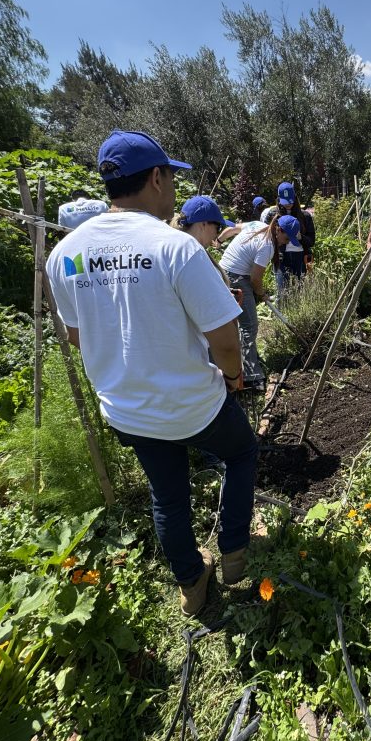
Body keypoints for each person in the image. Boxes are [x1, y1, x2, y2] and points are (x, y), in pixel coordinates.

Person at [46, 130, 258, 618]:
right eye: (173, 179)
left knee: (168, 494)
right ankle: (233, 551)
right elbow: (225, 337)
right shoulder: (175, 247)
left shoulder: (66, 254)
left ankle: (190, 581)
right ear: (157, 178)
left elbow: (78, 337)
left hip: (127, 408)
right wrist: (230, 379)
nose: (175, 193)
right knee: (242, 450)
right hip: (191, 404)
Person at [219, 214, 298, 386]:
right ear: (279, 229)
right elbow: (255, 279)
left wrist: (219, 240)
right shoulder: (267, 245)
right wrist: (261, 294)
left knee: (237, 323)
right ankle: (251, 376)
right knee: (250, 325)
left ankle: (242, 361)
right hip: (235, 278)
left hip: (223, 271)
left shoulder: (256, 225)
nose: (286, 242)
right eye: (286, 237)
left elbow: (232, 229)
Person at [261, 182, 316, 294]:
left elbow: (311, 241)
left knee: (300, 292)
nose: (288, 205)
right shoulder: (273, 214)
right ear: (279, 199)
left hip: (300, 257)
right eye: (285, 202)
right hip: (281, 258)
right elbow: (265, 236)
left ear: (295, 198)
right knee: (282, 292)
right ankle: (281, 311)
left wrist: (300, 237)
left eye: (290, 201)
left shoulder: (305, 216)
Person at [172, 195, 236, 287]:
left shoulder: (175, 250)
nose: (217, 234)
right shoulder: (194, 258)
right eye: (218, 227)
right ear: (203, 224)